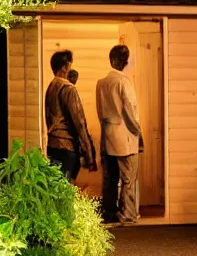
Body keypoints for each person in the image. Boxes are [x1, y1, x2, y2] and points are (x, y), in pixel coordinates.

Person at [96, 44, 143, 224]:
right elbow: (130, 109)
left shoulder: (101, 83)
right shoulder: (123, 82)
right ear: (125, 61)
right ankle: (127, 213)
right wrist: (137, 129)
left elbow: (100, 111)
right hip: (125, 136)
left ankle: (109, 212)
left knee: (110, 178)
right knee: (128, 177)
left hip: (108, 134)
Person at [45, 50, 97, 181]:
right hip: (66, 146)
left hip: (52, 145)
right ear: (64, 66)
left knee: (55, 187)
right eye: (70, 64)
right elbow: (79, 122)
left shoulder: (51, 86)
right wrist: (89, 155)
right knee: (65, 189)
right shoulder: (68, 88)